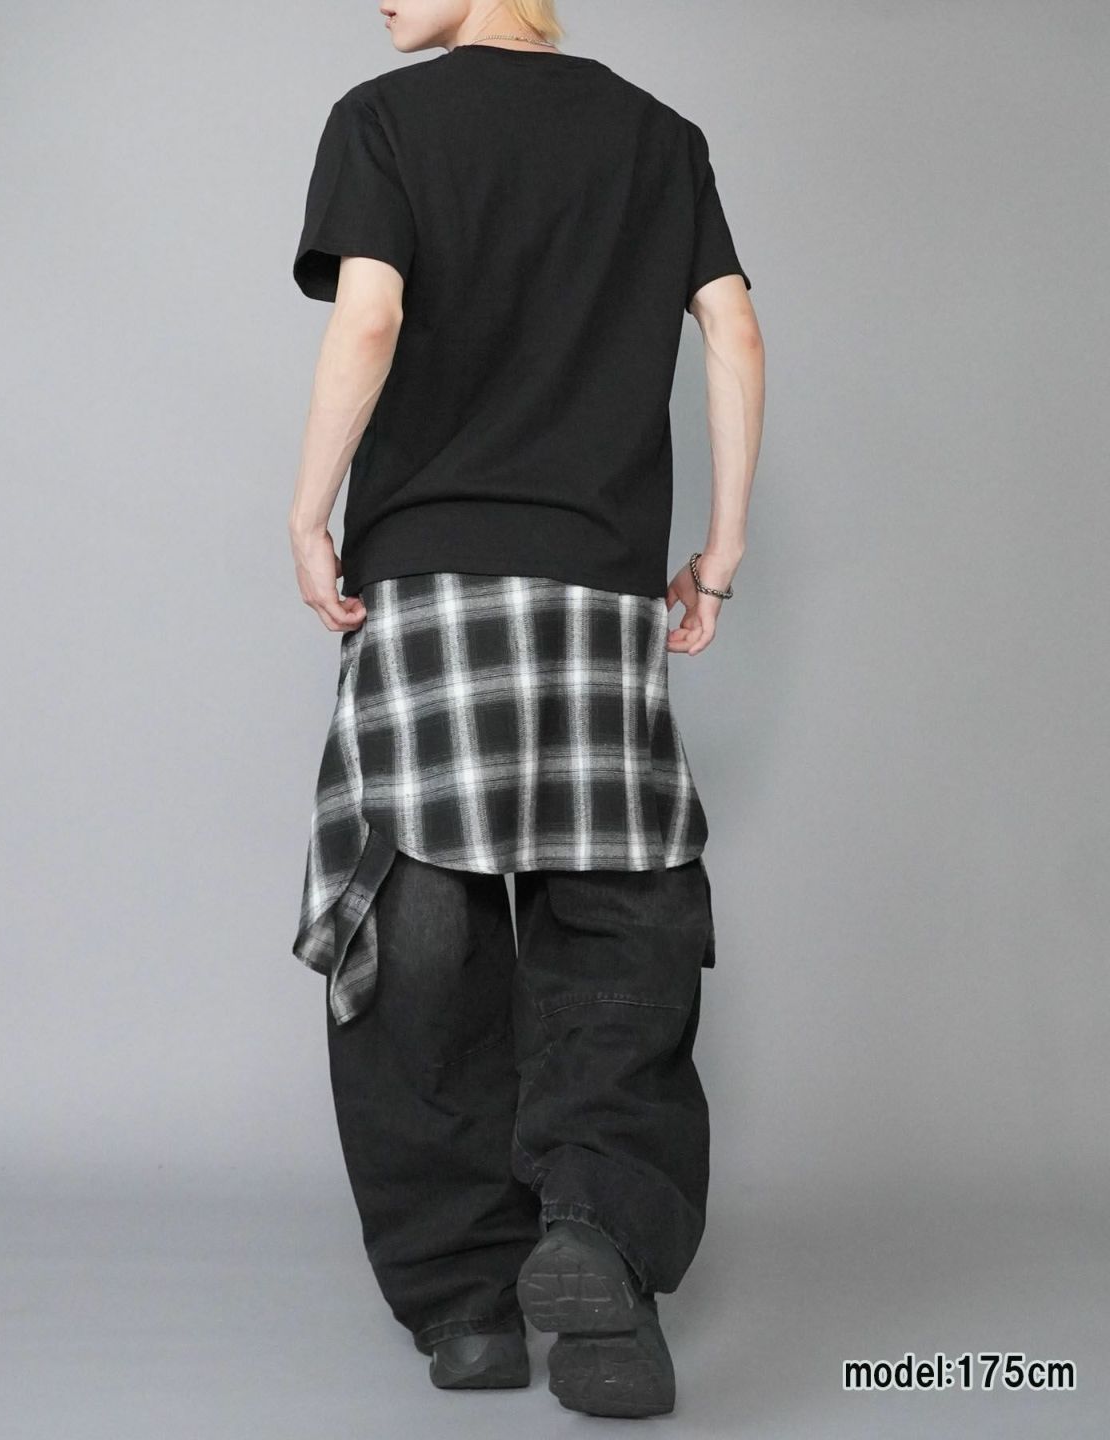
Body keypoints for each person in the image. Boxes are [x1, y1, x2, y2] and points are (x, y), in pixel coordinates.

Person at [286, 0, 764, 1419]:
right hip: (601, 591)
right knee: (618, 917)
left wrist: (309, 513)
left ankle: (467, 1305)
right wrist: (720, 549)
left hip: (431, 583)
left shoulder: (384, 123)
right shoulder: (658, 138)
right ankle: (599, 1237)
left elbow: (372, 314)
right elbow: (734, 334)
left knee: (417, 931)